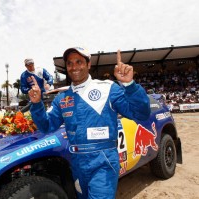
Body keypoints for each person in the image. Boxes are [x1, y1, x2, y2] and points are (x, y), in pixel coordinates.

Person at [28, 47, 151, 199]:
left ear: (88, 64)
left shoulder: (108, 88)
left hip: (103, 161)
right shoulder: (62, 98)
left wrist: (129, 85)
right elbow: (47, 126)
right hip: (77, 163)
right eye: (70, 63)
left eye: (79, 62)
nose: (74, 67)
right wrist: (36, 104)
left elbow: (141, 113)